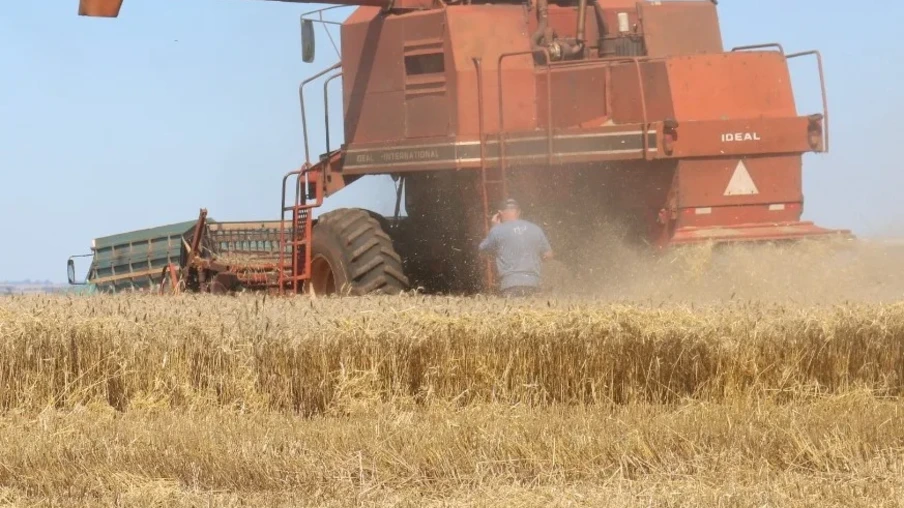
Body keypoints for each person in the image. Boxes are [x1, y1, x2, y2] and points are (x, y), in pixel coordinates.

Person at [478, 198, 553, 297]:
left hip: (510, 285)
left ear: (500, 214)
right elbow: (549, 255)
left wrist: (494, 227)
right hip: (533, 283)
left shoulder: (497, 231)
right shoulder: (536, 229)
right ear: (519, 212)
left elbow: (482, 250)